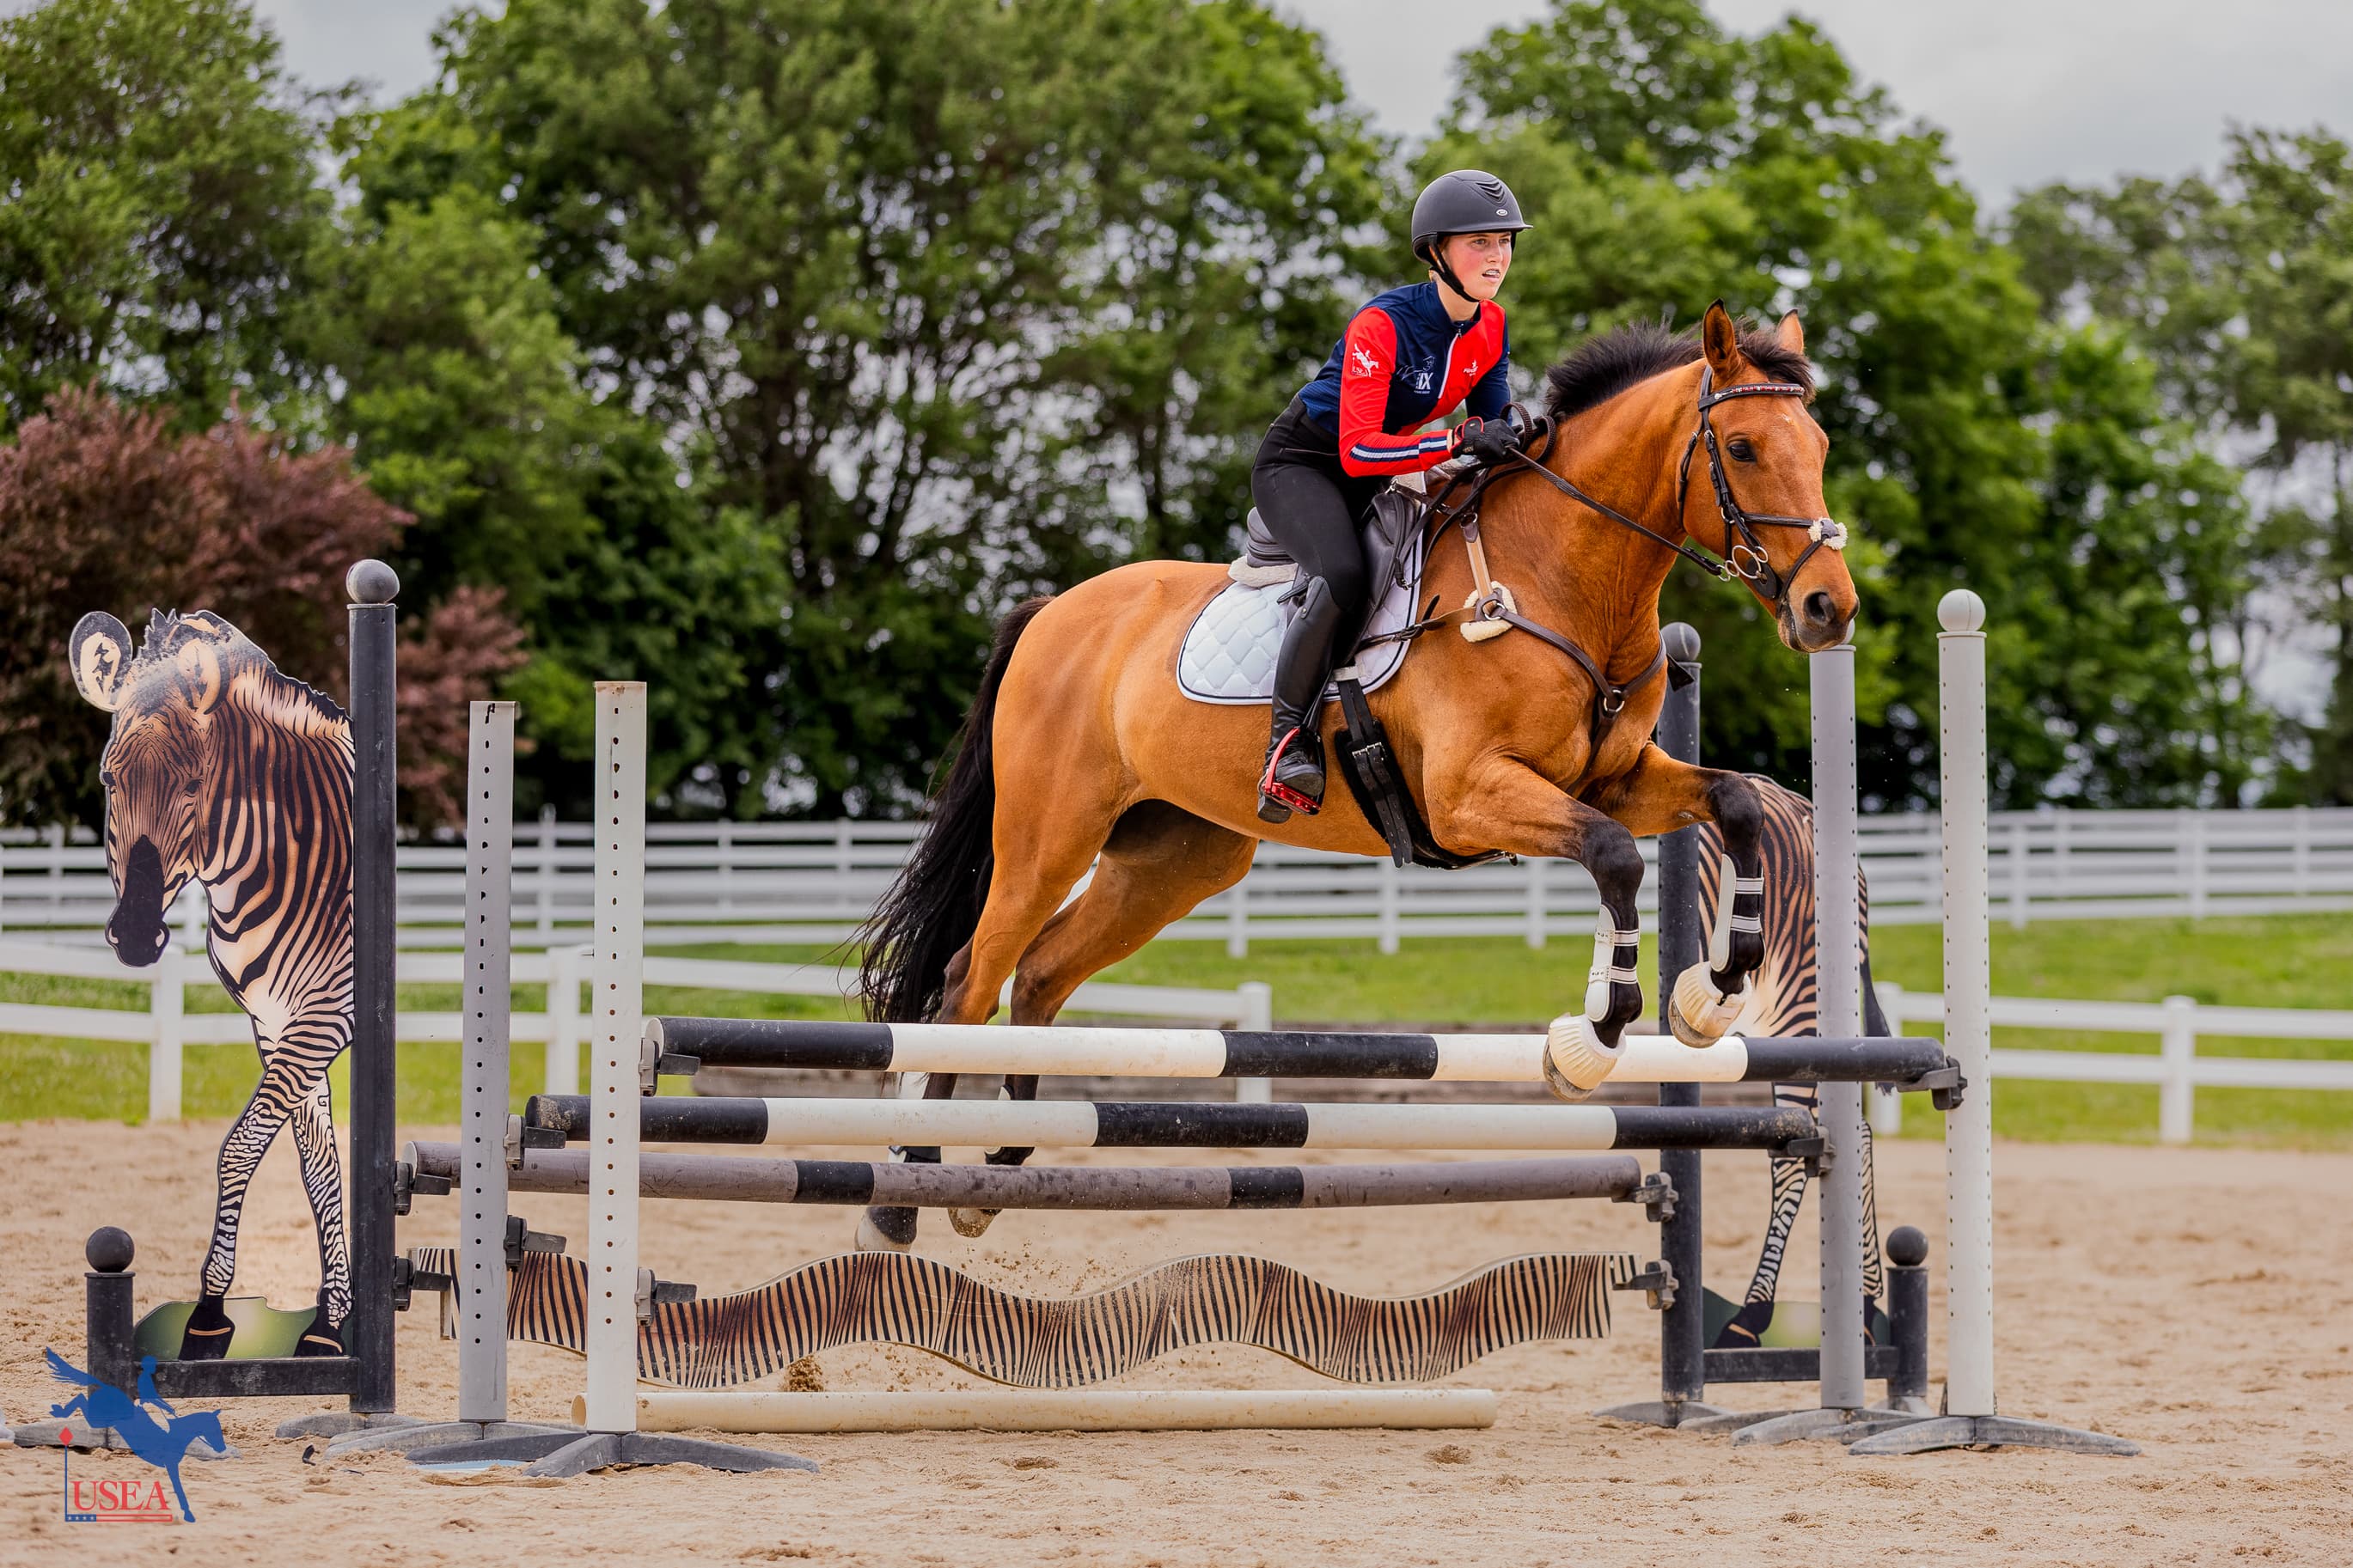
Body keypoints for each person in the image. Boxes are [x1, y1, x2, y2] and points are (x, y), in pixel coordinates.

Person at [1251, 169, 1531, 824]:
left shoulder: (1492, 325)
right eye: (1480, 243)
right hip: (1305, 464)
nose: (1497, 258)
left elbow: (1494, 425)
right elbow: (1359, 449)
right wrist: (1458, 438)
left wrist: (1516, 432)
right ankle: (1286, 742)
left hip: (1382, 468)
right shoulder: (1384, 323)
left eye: (1505, 243)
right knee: (1343, 572)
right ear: (1436, 252)